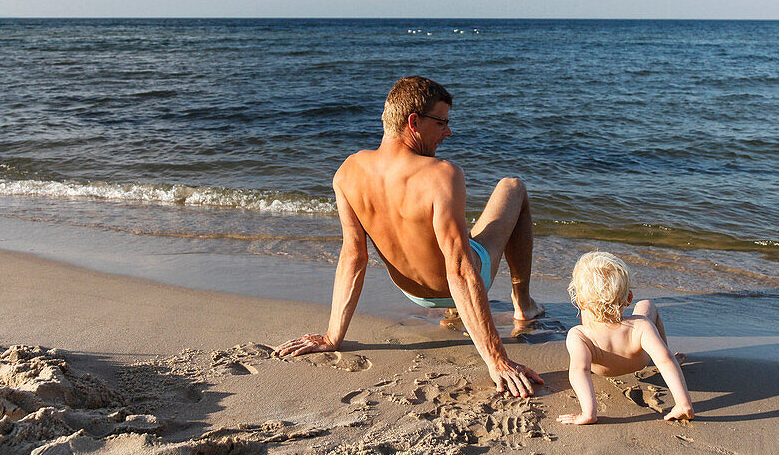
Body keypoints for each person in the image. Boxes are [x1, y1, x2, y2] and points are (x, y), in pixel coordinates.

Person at [274, 76, 545, 397]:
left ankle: (456, 310)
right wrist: (496, 359)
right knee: (512, 186)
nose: (449, 132)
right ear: (413, 122)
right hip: (461, 280)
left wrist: (334, 337)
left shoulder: (348, 171)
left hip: (413, 292)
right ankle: (523, 305)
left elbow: (353, 257)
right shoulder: (443, 174)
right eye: (442, 122)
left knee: (454, 236)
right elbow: (459, 269)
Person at [557, 251, 694, 425]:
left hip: (602, 368)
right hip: (639, 361)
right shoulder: (641, 326)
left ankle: (589, 412)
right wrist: (683, 404)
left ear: (579, 302)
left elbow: (579, 371)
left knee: (584, 346)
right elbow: (666, 360)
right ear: (629, 298)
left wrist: (588, 413)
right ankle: (662, 351)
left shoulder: (579, 335)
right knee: (647, 305)